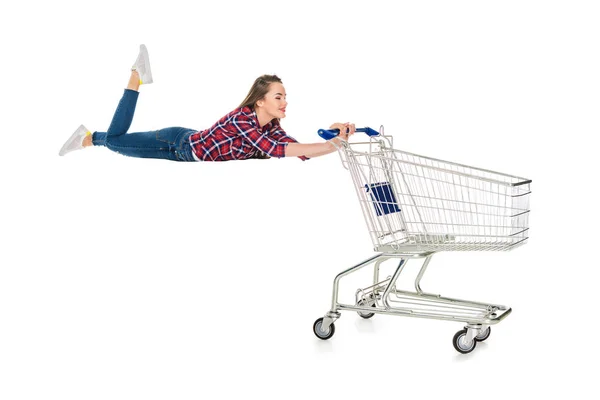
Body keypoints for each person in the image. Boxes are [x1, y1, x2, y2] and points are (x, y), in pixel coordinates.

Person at [58, 45, 355, 161]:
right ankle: (136, 75)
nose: (285, 102)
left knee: (112, 140)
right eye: (279, 96)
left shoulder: (270, 127)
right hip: (175, 145)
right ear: (260, 100)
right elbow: (276, 151)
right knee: (115, 142)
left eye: (285, 97)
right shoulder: (243, 118)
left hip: (183, 144)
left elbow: (298, 151)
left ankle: (87, 138)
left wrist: (333, 134)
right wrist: (335, 145)